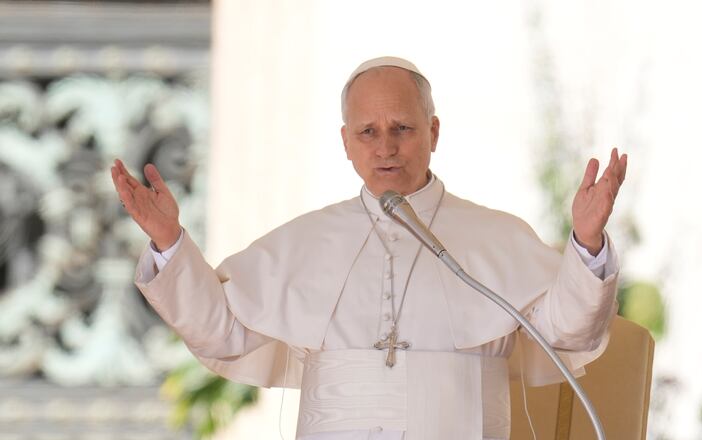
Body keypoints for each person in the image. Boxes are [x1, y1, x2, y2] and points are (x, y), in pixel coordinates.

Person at [111, 56, 627, 440]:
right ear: (345, 141)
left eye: (402, 127)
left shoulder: (497, 235)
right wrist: (168, 242)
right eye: (367, 131)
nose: (385, 147)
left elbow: (566, 331)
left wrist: (585, 241)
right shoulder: (304, 240)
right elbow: (221, 334)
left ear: (433, 131)